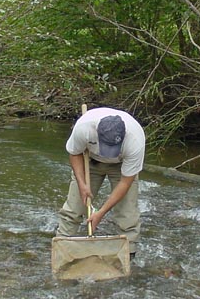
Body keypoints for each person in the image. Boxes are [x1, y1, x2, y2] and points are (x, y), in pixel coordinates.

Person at [56, 106, 145, 259]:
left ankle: (128, 254)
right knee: (74, 208)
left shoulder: (135, 141)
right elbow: (74, 153)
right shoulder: (84, 128)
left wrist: (100, 213)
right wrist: (82, 184)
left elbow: (125, 182)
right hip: (90, 162)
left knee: (127, 213)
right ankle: (61, 246)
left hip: (121, 166)